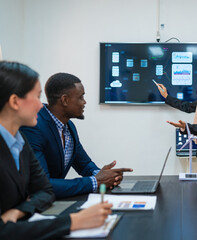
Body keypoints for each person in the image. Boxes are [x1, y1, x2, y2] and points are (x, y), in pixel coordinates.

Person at [0, 61, 113, 239]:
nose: (41, 105)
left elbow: (45, 190)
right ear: (15, 101)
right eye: (36, 98)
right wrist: (74, 221)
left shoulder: (19, 142)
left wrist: (19, 211)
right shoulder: (30, 133)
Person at [21, 73, 132, 198]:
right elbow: (42, 184)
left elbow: (84, 165)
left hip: (52, 200)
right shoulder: (34, 126)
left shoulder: (69, 127)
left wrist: (106, 175)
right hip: (29, 206)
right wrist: (96, 181)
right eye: (81, 97)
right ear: (65, 100)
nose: (84, 102)